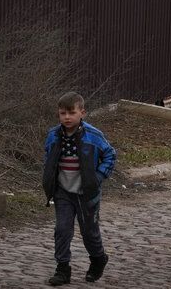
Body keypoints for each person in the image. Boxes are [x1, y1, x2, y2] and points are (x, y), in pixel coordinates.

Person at [42, 91, 116, 286]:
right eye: (62, 113)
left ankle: (98, 259)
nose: (67, 117)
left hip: (86, 192)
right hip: (62, 191)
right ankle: (62, 269)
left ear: (82, 113)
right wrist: (49, 178)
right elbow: (48, 157)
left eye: (71, 113)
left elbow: (110, 155)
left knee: (89, 231)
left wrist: (98, 177)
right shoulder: (53, 135)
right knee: (62, 229)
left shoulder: (93, 135)